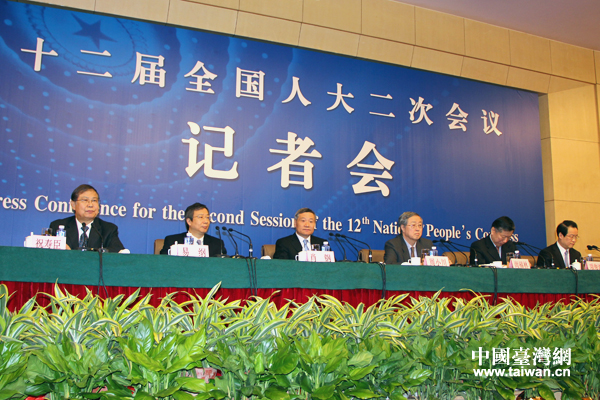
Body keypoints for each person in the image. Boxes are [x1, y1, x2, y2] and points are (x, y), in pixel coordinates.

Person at [49, 184, 125, 252]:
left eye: (94, 200)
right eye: (85, 200)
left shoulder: (108, 229)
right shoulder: (57, 226)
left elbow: (118, 251)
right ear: (73, 205)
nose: (90, 205)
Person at [160, 203, 226, 257]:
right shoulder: (172, 241)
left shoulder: (217, 244)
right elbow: (164, 263)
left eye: (207, 217)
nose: (206, 221)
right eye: (201, 217)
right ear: (189, 221)